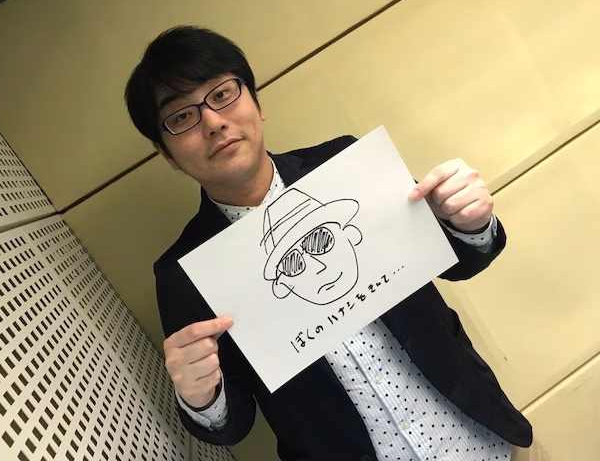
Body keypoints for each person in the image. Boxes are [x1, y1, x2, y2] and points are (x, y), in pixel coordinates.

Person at [124, 26, 549, 461]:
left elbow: (459, 261)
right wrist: (201, 398)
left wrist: (470, 222)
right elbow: (235, 422)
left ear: (257, 102)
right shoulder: (183, 275)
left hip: (486, 441)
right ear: (166, 153)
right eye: (181, 118)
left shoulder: (347, 166)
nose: (214, 122)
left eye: (222, 94)